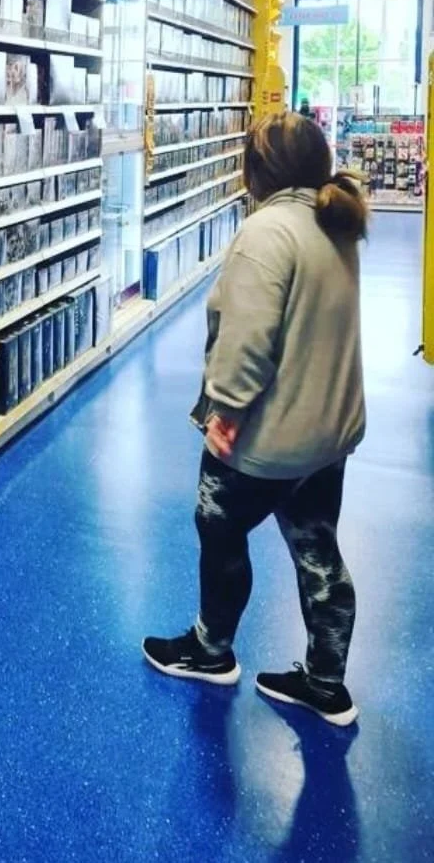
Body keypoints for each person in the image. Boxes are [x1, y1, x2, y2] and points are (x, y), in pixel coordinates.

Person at [143, 112, 367, 727]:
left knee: (218, 530)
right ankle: (326, 683)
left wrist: (226, 409)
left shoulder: (266, 232)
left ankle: (211, 650)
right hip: (327, 431)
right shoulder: (335, 222)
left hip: (268, 434)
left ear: (259, 168)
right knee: (316, 548)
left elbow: (247, 339)